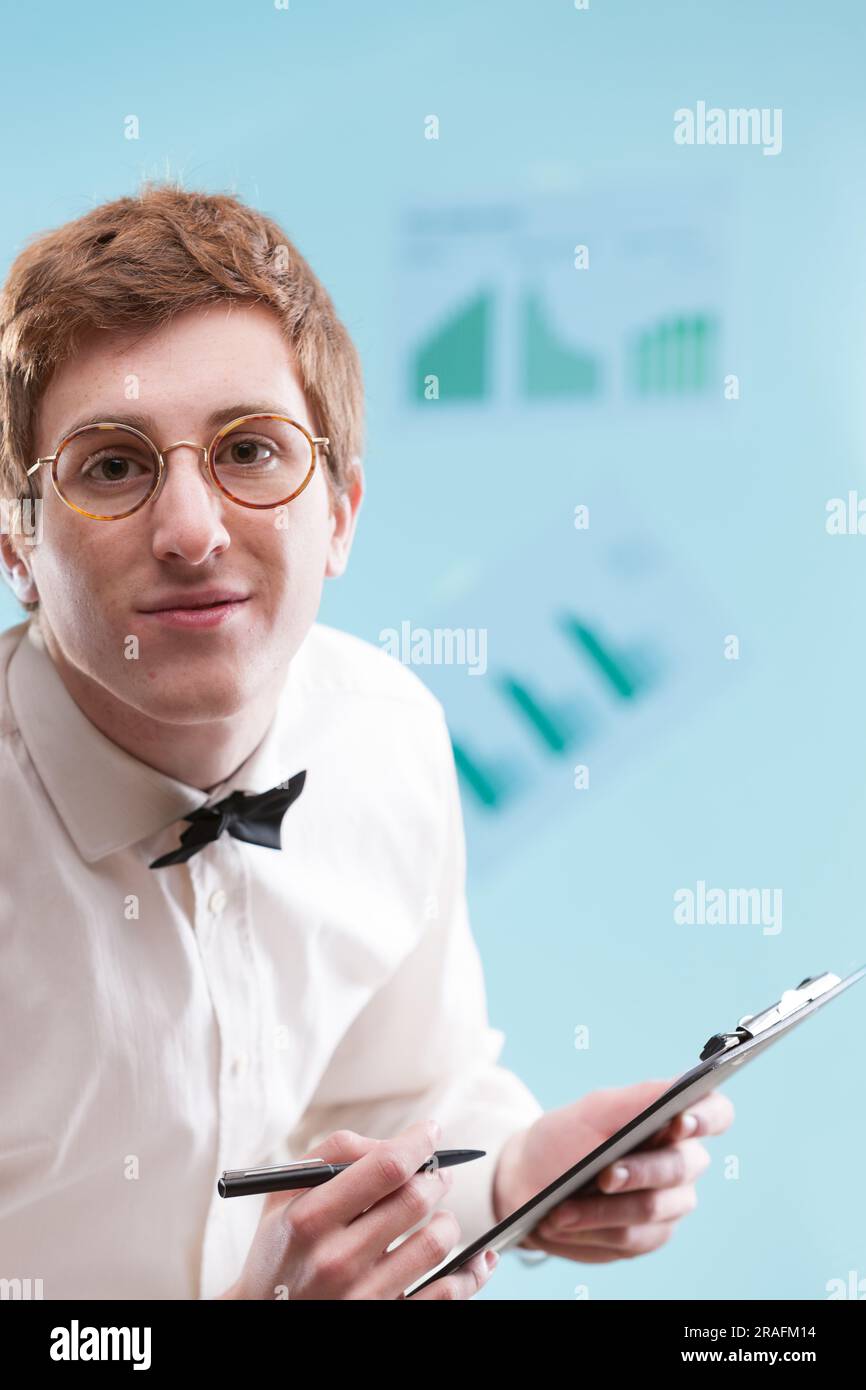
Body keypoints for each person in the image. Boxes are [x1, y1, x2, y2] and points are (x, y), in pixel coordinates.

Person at [0, 183, 733, 1301]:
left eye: (250, 451)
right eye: (112, 464)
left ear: (339, 510)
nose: (193, 533)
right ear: (17, 542)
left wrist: (518, 1178)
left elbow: (396, 1103)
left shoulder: (388, 735)